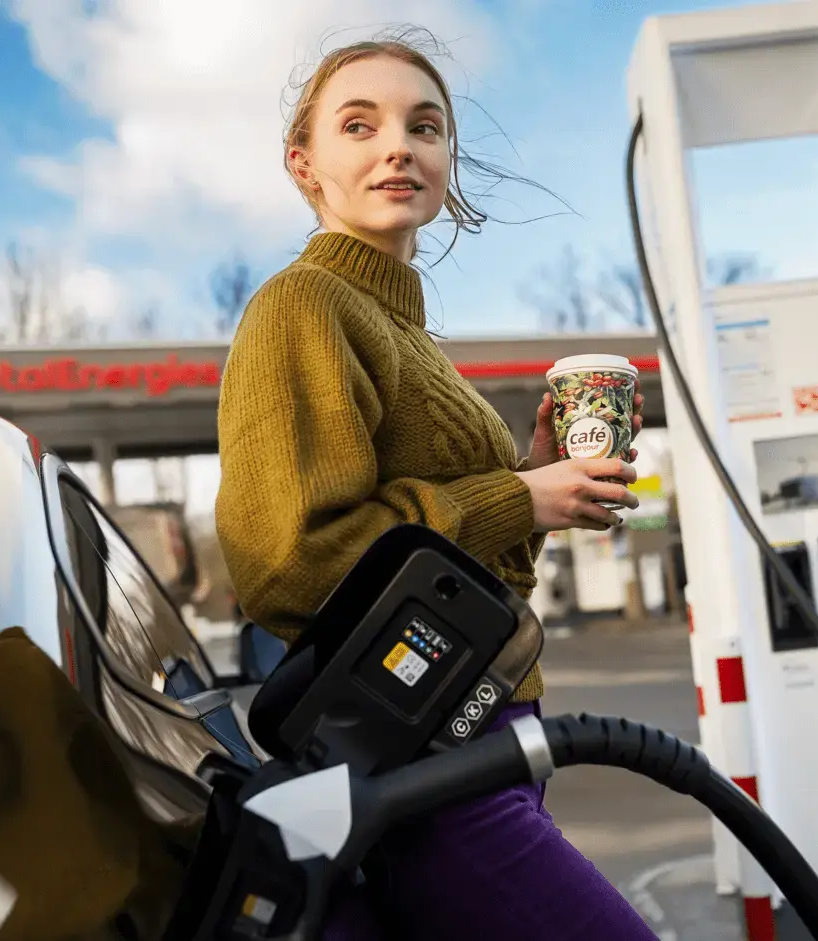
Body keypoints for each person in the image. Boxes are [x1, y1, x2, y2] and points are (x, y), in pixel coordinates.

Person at [213, 26, 659, 941]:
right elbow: (288, 562)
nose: (397, 147)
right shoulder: (303, 305)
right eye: (359, 125)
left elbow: (445, 568)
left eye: (424, 126)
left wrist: (536, 480)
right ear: (304, 164)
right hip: (428, 763)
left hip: (487, 738)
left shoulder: (405, 328)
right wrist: (514, 498)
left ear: (448, 159)